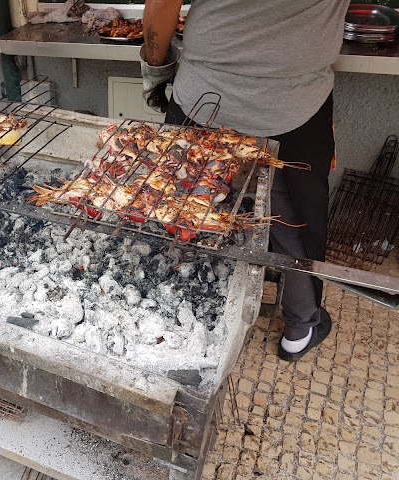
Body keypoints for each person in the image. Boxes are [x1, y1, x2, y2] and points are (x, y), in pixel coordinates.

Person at [141, 0, 350, 361]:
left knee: (185, 208)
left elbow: (162, 4)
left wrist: (156, 72)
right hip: (294, 107)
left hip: (202, 100)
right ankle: (299, 330)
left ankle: (171, 308)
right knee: (295, 225)